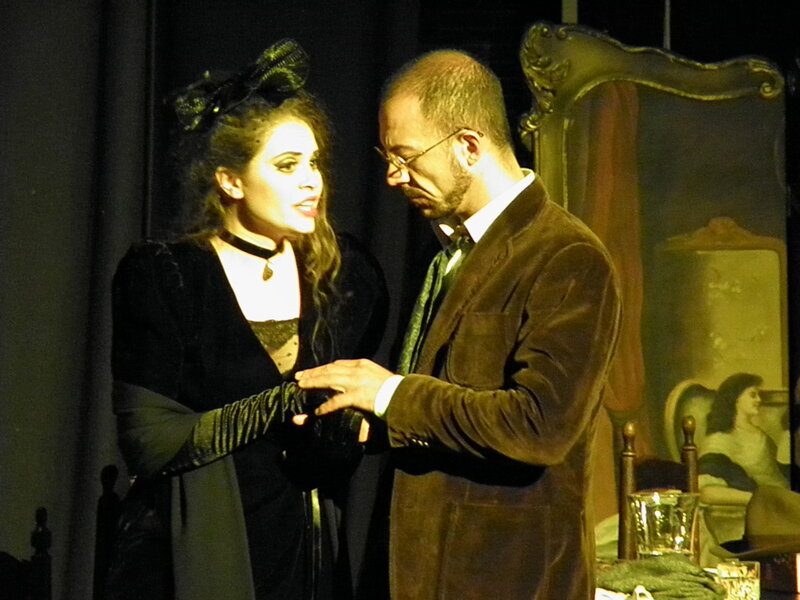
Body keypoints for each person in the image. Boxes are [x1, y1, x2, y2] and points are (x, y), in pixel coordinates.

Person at [296, 50, 621, 600]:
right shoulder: (450, 253)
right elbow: (448, 406)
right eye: (386, 158)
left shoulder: (567, 256)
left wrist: (390, 395)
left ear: (468, 147)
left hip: (507, 580)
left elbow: (539, 427)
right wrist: (368, 423)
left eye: (406, 157)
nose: (393, 177)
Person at [106, 40, 387, 600]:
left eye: (313, 163)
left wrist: (350, 430)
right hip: (196, 554)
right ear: (231, 182)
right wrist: (285, 402)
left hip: (305, 553)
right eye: (287, 166)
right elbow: (150, 439)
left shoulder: (344, 273)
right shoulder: (168, 276)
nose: (311, 182)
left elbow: (363, 406)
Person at [699, 372, 789, 506]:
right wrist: (761, 500)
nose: (759, 400)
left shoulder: (761, 435)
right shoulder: (719, 440)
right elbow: (707, 492)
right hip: (761, 506)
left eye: (758, 395)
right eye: (753, 395)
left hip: (783, 498)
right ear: (735, 398)